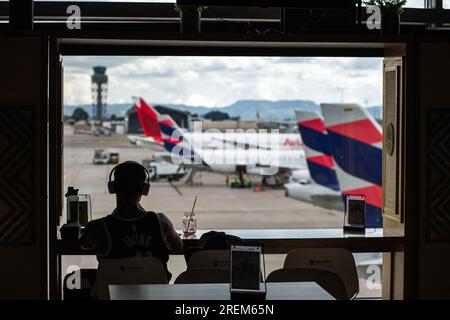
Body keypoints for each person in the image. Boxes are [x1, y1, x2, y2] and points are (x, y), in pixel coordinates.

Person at [79, 161, 183, 281]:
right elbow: (178, 247)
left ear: (112, 188)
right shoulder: (161, 221)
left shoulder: (98, 226)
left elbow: (84, 245)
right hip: (154, 296)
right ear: (145, 189)